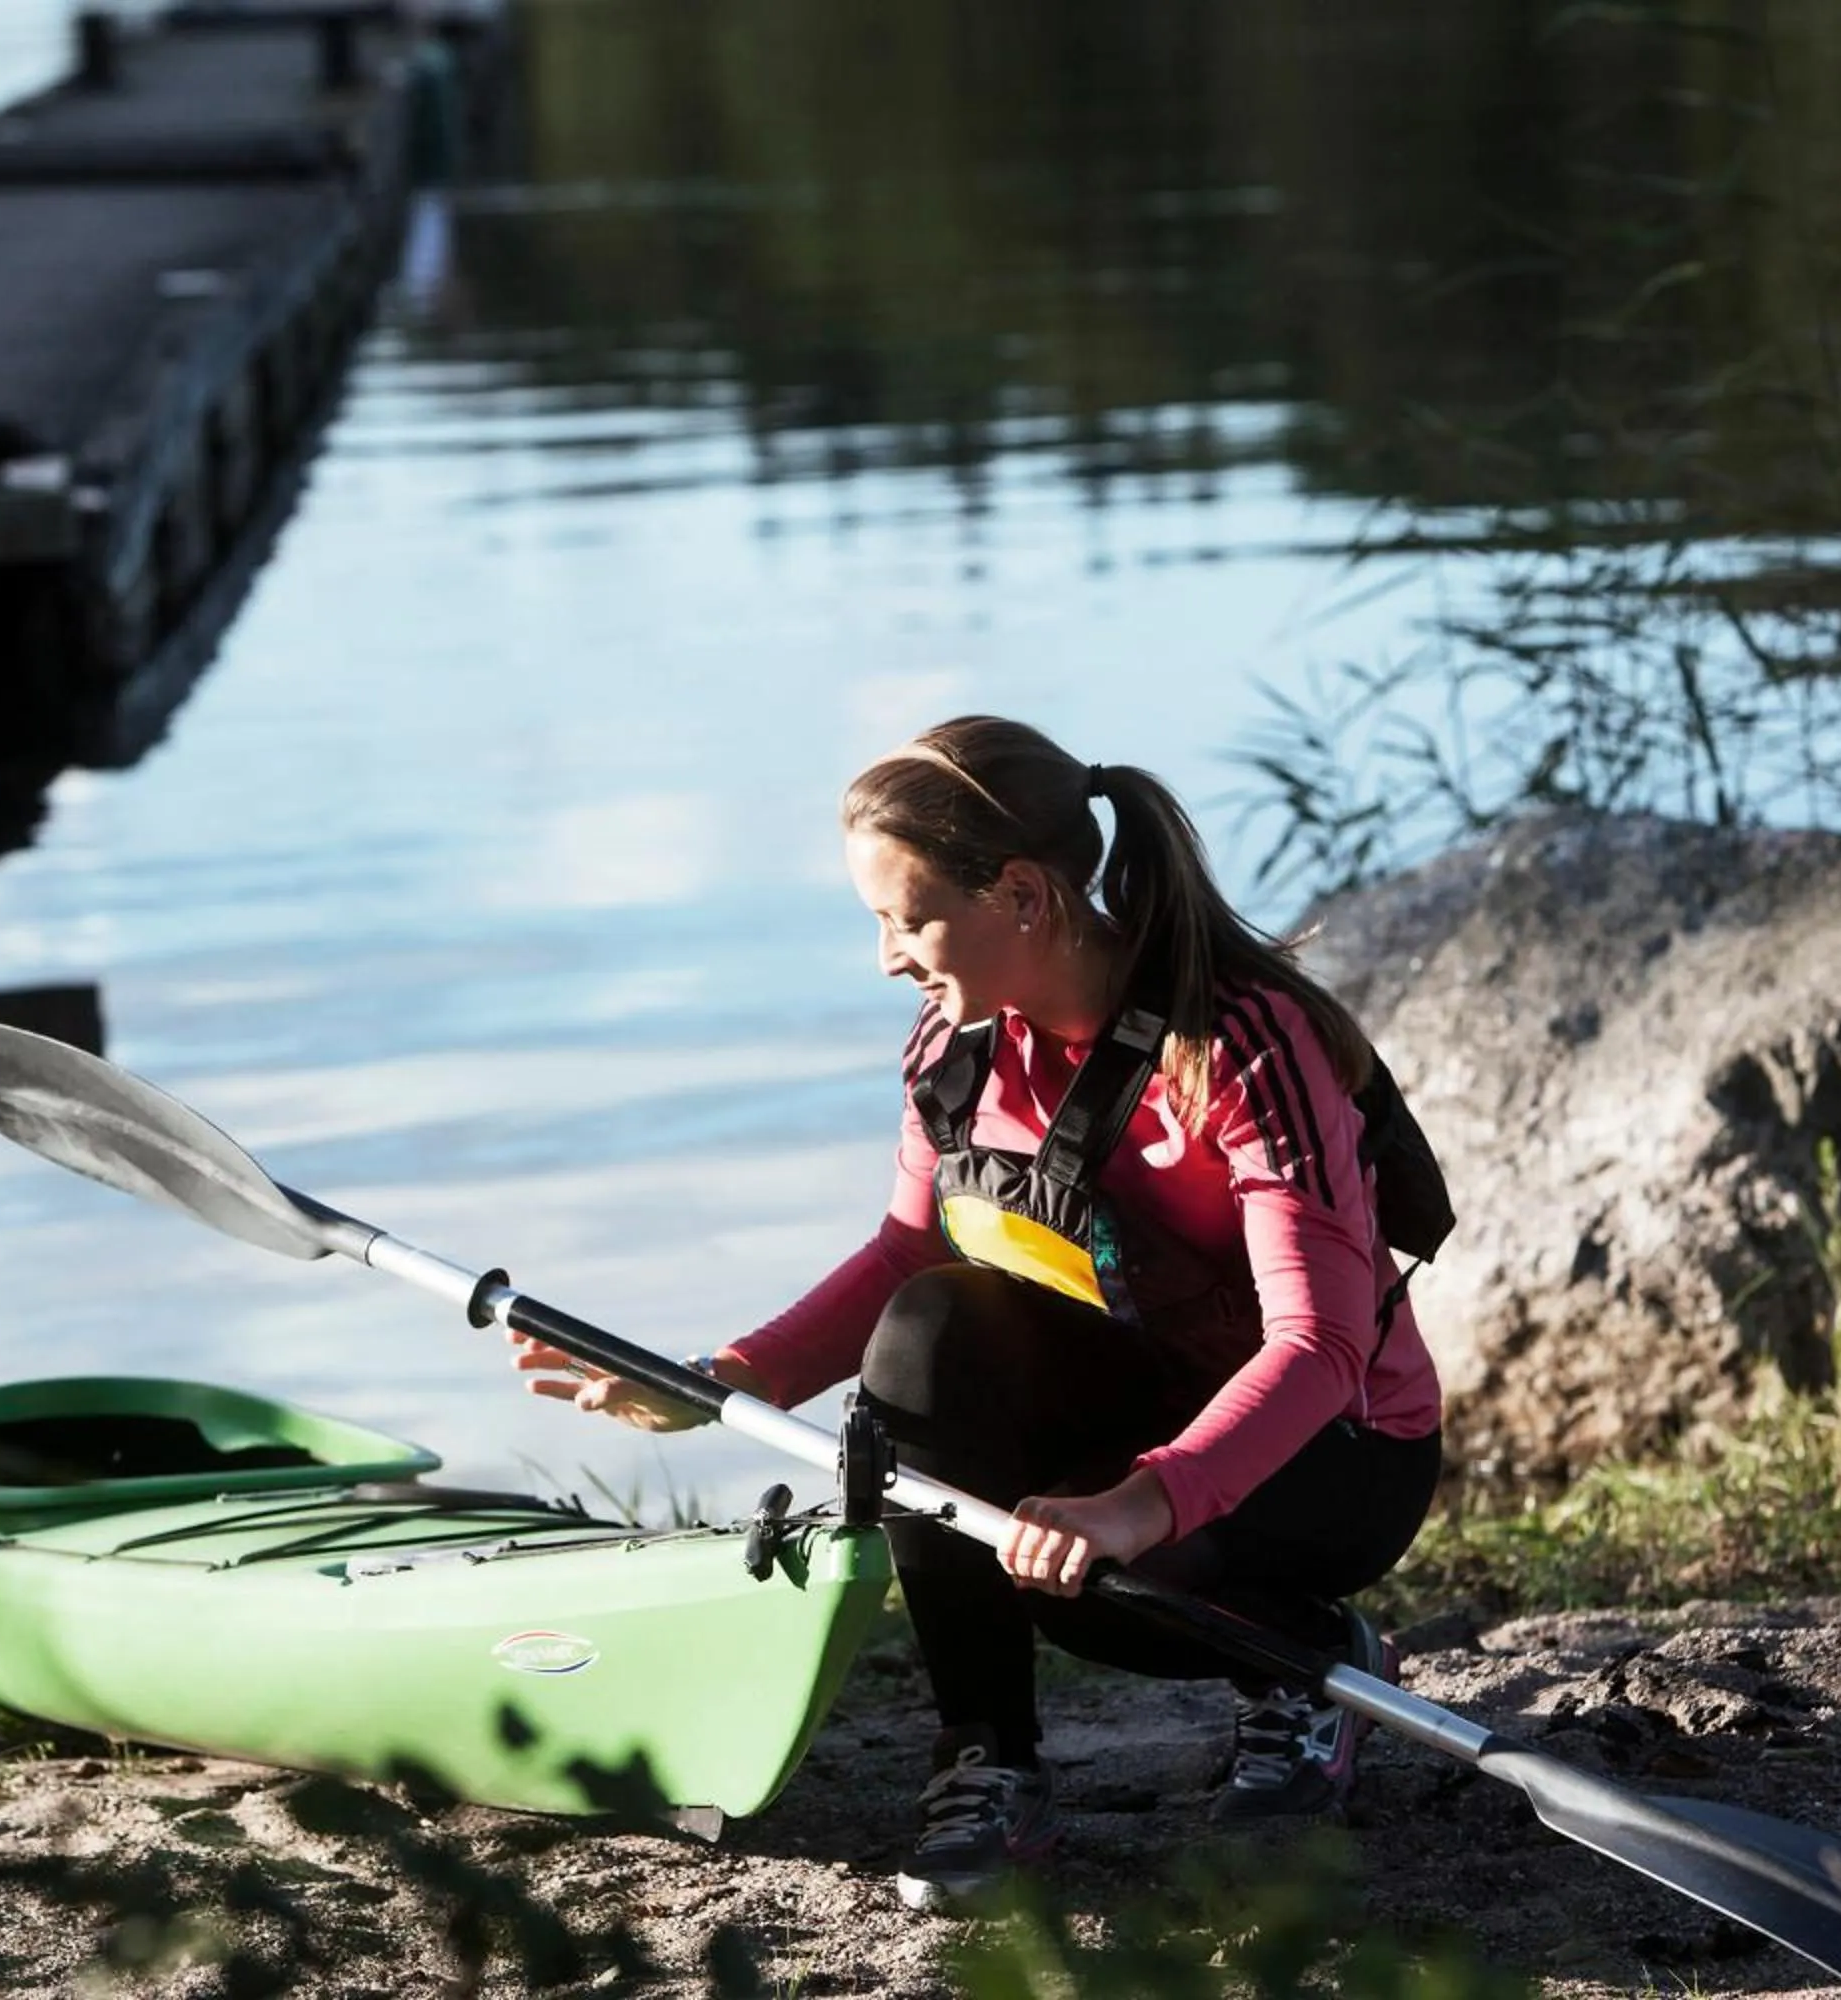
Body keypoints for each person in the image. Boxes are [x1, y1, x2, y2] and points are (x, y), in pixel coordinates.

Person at [510, 715, 1446, 1912]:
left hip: (1337, 1452)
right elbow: (910, 1247)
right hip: (1153, 1394)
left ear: (1021, 896)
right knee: (927, 1327)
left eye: (908, 917)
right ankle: (987, 1763)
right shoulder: (954, 1043)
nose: (888, 955)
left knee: (1127, 1578)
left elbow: (1317, 1346)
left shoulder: (1244, 1043)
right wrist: (727, 1376)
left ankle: (1307, 1667)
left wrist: (1131, 1501)